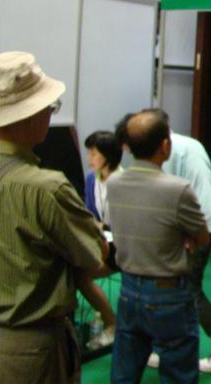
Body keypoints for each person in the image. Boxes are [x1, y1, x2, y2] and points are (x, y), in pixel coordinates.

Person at [0, 51, 106, 384]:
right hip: (29, 349)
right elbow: (95, 257)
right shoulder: (47, 188)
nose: (50, 114)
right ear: (28, 116)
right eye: (49, 106)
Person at [107, 110, 209, 384]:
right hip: (169, 293)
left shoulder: (114, 182)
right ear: (165, 145)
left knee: (124, 374)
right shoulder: (178, 189)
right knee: (178, 373)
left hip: (128, 289)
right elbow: (202, 237)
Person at [143, 108, 211, 374]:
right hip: (204, 225)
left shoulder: (168, 152)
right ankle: (167, 346)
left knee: (187, 289)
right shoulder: (187, 144)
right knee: (178, 288)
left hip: (198, 229)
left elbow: (172, 197)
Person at [77, 130, 124, 348]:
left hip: (122, 247)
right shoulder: (91, 179)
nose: (90, 159)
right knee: (68, 266)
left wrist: (102, 227)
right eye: (89, 153)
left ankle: (111, 323)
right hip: (101, 241)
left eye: (94, 154)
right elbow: (89, 213)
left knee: (80, 276)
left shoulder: (124, 182)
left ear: (109, 156)